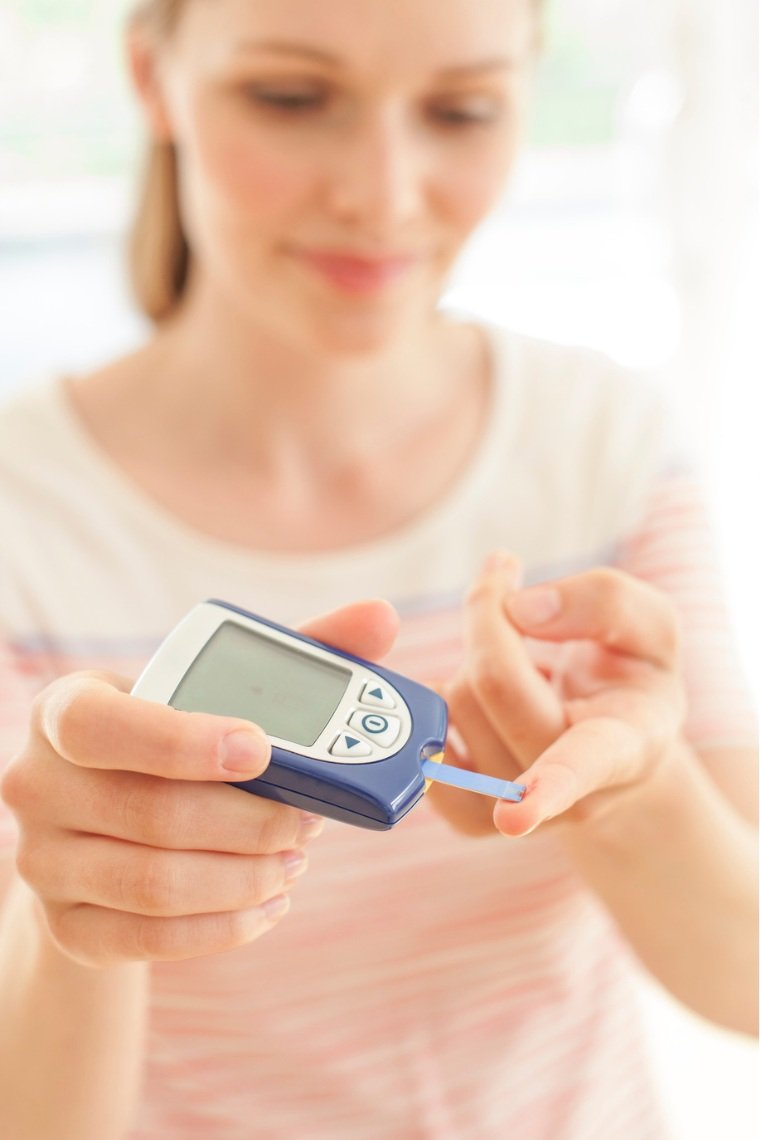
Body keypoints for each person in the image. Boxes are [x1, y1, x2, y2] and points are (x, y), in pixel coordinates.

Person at [0, 1, 756, 1137]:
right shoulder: (22, 517)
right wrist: (89, 924)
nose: (384, 194)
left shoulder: (606, 440)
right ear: (151, 75)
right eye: (291, 97)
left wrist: (631, 799)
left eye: (461, 109)